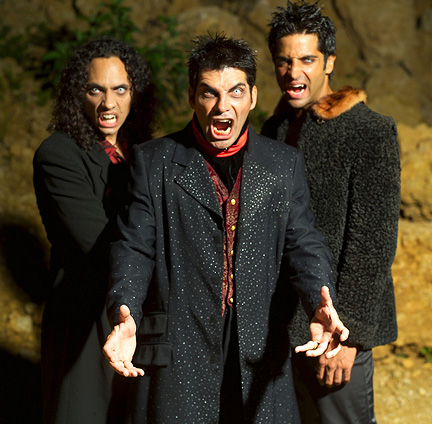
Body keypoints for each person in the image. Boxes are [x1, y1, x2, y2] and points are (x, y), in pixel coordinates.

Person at [103, 33, 349, 424]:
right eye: (209, 93)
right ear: (192, 97)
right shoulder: (153, 162)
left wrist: (320, 299)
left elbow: (303, 242)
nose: (223, 106)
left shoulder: (283, 163)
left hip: (258, 352)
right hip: (181, 351)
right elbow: (134, 246)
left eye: (235, 91)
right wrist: (125, 309)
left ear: (252, 97)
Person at [261, 0, 400, 424]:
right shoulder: (273, 130)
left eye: (307, 59)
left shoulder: (369, 131)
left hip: (336, 333)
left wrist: (349, 335)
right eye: (284, 61)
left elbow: (373, 243)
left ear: (330, 62)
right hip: (279, 329)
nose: (294, 72)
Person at [33, 37, 156, 424]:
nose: (108, 103)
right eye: (95, 90)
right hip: (83, 319)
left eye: (120, 90)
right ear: (77, 94)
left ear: (135, 93)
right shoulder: (59, 154)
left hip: (136, 317)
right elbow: (99, 244)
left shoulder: (142, 152)